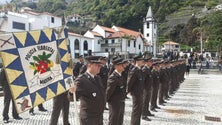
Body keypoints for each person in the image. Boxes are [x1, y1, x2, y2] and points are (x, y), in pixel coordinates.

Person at [69, 56, 106, 125]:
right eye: (97, 65)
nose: (99, 67)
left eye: (100, 65)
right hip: (89, 119)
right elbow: (72, 98)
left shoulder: (98, 78)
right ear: (89, 65)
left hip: (99, 117)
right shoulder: (81, 80)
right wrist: (71, 92)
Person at [106, 57, 126, 125]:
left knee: (120, 121)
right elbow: (108, 92)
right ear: (116, 66)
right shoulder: (113, 77)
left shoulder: (120, 76)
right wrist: (103, 103)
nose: (124, 66)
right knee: (113, 122)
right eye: (122, 65)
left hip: (121, 103)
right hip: (114, 104)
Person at [127, 55, 145, 125]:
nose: (142, 62)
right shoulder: (134, 70)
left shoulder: (139, 70)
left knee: (139, 110)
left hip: (140, 92)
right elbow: (130, 82)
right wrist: (128, 91)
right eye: (141, 60)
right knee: (136, 110)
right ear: (137, 61)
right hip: (136, 93)